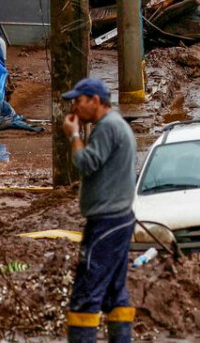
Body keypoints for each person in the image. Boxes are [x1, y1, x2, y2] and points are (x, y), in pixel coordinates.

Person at [61, 78, 137, 343]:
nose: (75, 107)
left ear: (95, 100)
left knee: (87, 291)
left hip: (107, 221)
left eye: (78, 101)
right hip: (119, 218)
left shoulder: (107, 127)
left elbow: (86, 162)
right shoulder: (116, 125)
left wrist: (73, 135)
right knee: (115, 291)